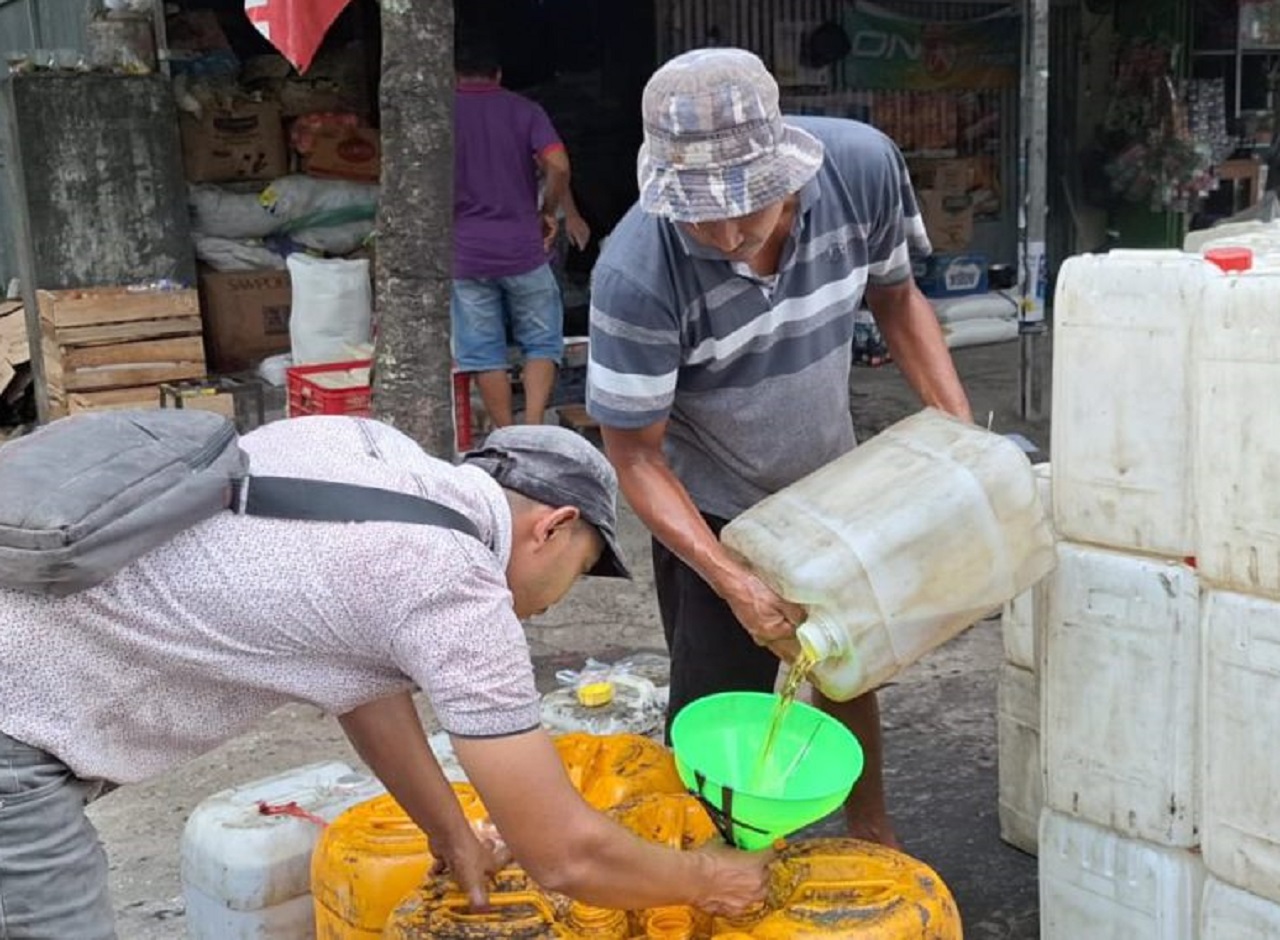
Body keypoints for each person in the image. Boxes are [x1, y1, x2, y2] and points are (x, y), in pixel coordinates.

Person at [0, 416, 769, 939]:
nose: (550, 604)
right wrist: (706, 879)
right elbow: (565, 855)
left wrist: (451, 835)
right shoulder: (454, 586)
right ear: (556, 526)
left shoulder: (362, 445)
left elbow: (364, 680)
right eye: (582, 570)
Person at [585, 48, 974, 849]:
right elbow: (635, 457)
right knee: (718, 704)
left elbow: (898, 299)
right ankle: (721, 864)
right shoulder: (636, 273)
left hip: (835, 486)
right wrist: (731, 578)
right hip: (717, 512)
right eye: (702, 211)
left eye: (749, 206)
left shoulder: (862, 167)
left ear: (790, 168)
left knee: (847, 664)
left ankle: (873, 833)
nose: (728, 233)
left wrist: (960, 443)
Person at [453, 35, 591, 429]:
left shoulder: (440, 115)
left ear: (452, 74)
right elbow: (559, 165)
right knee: (542, 342)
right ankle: (533, 428)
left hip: (466, 254)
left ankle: (506, 434)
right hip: (523, 248)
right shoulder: (524, 110)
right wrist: (547, 211)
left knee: (483, 352)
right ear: (498, 74)